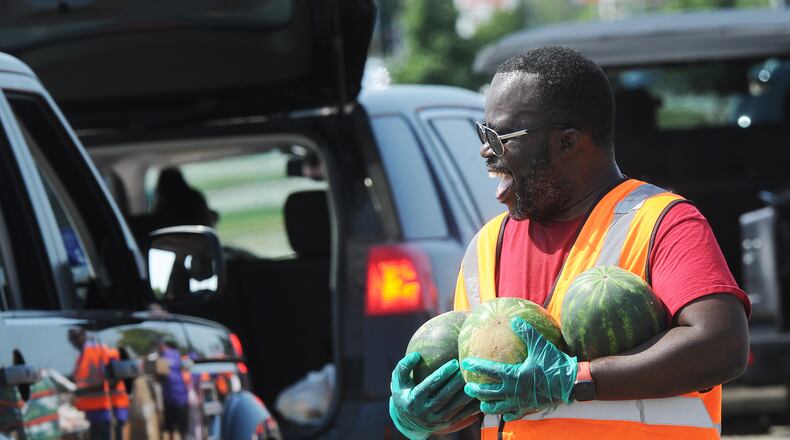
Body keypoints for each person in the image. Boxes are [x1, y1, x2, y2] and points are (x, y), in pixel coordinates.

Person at [388, 46, 750, 439]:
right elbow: (485, 394)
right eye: (483, 131)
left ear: (567, 142)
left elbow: (721, 345)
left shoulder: (661, 222)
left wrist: (575, 379)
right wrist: (427, 414)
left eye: (500, 135)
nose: (485, 149)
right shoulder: (486, 247)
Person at [70, 328, 130, 440]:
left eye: (75, 337)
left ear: (84, 335)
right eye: (72, 339)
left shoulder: (97, 350)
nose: (74, 341)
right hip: (96, 413)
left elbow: (113, 378)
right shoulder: (82, 356)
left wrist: (84, 390)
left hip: (108, 411)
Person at [156, 339, 190, 439]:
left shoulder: (166, 357)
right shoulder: (176, 355)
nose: (160, 347)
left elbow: (158, 377)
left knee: (174, 426)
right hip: (176, 397)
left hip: (175, 397)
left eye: (160, 345)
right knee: (179, 427)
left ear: (164, 345)